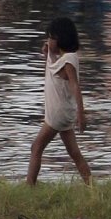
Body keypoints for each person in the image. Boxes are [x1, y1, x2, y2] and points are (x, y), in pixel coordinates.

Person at [26, 16, 91, 185]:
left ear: (60, 39)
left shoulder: (69, 60)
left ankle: (29, 186)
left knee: (36, 147)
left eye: (50, 38)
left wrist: (81, 113)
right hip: (62, 113)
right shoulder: (59, 60)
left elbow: (75, 86)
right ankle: (92, 187)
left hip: (58, 114)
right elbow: (52, 70)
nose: (48, 42)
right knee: (74, 153)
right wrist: (47, 52)